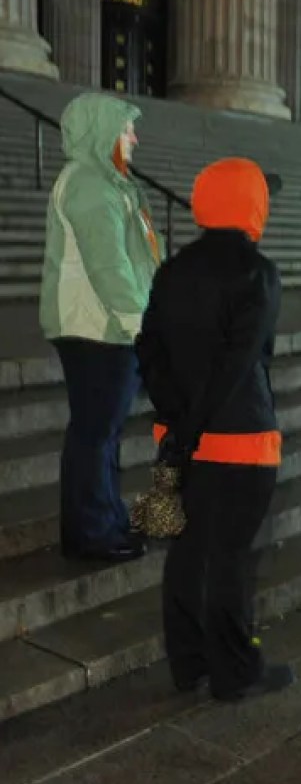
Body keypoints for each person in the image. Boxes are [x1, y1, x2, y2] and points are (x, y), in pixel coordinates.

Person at [135, 157, 295, 702]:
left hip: (178, 440)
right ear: (251, 204)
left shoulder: (172, 270)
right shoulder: (259, 273)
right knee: (230, 559)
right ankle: (235, 672)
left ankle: (189, 663)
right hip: (239, 441)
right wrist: (198, 423)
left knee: (186, 551)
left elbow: (149, 348)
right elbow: (239, 363)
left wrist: (178, 421)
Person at [40, 92, 161, 562]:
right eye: (126, 126)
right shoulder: (90, 184)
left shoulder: (108, 183)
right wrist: (141, 326)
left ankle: (103, 521)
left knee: (101, 431)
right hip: (95, 328)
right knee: (96, 432)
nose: (133, 136)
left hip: (105, 327)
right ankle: (91, 532)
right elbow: (109, 268)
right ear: (102, 129)